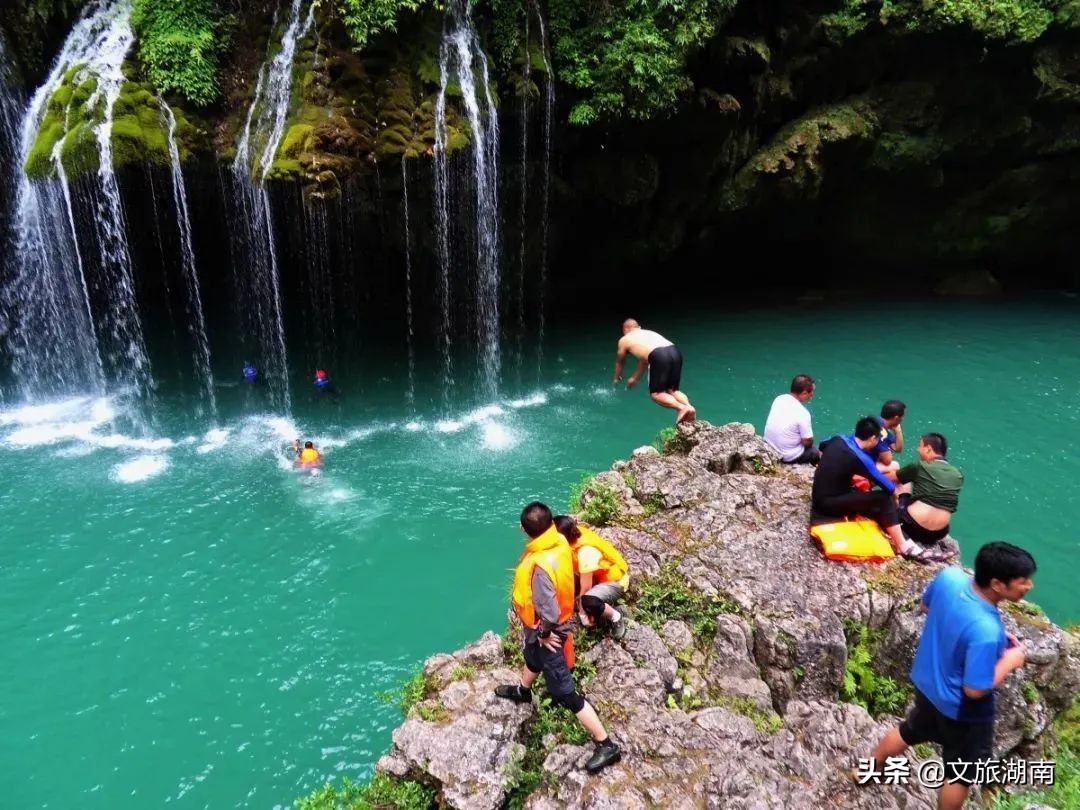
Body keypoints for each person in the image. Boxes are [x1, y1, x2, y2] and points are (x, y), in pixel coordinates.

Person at [864, 542, 1035, 810]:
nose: (1029, 586)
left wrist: (983, 639)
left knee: (908, 731)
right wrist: (1010, 660)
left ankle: (866, 771)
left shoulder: (949, 577)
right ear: (997, 584)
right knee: (960, 774)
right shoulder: (986, 629)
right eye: (1022, 580)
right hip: (960, 711)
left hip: (927, 686)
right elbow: (974, 690)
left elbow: (927, 606)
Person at [496, 502, 622, 774]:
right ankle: (523, 691)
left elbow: (550, 612)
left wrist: (543, 633)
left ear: (523, 530)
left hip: (550, 631)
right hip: (550, 625)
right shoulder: (560, 543)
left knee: (565, 692)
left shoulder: (539, 566)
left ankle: (606, 744)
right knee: (532, 656)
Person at [812, 416, 924, 559]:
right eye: (877, 440)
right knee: (883, 498)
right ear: (872, 438)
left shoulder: (838, 439)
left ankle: (894, 529)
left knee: (866, 494)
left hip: (820, 494)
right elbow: (888, 486)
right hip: (828, 504)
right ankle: (903, 546)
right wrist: (895, 498)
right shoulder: (859, 457)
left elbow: (822, 444)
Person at [554, 515, 630, 640]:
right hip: (594, 575)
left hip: (614, 582)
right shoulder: (573, 534)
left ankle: (615, 616)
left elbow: (586, 588)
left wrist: (582, 613)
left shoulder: (586, 552)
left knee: (587, 601)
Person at [613, 319, 696, 424]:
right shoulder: (647, 333)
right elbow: (644, 359)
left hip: (658, 355)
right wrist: (635, 378)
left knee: (657, 394)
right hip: (674, 351)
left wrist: (616, 378)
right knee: (673, 390)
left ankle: (682, 408)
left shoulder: (624, 339)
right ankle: (689, 407)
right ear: (638, 327)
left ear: (625, 329)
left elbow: (620, 362)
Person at [896, 432, 963, 555]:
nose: (918, 449)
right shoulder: (958, 474)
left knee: (902, 481)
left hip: (912, 527)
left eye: (920, 446)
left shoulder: (920, 466)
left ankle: (907, 543)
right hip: (939, 533)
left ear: (928, 449)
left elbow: (891, 478)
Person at [763, 374, 819, 465]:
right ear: (804, 393)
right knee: (815, 452)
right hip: (787, 456)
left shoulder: (779, 399)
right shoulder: (803, 413)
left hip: (769, 447)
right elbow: (807, 442)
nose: (812, 395)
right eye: (811, 392)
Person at [871, 400, 906, 475]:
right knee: (895, 465)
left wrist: (898, 431)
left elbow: (897, 449)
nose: (903, 419)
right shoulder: (882, 432)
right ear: (896, 418)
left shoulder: (875, 421)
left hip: (858, 457)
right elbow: (887, 461)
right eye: (903, 416)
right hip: (860, 464)